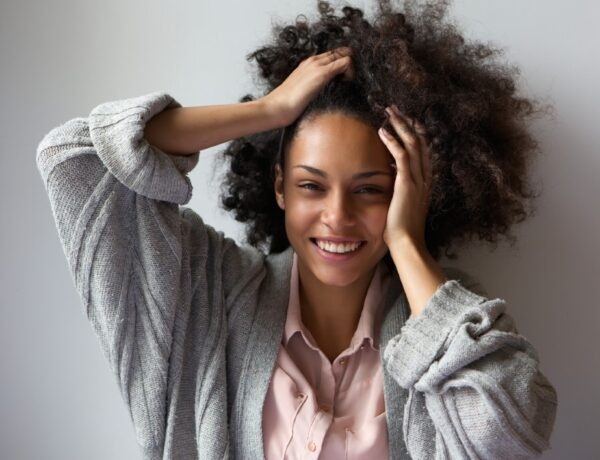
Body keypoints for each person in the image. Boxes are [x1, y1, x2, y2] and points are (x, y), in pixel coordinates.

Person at [36, 0, 557, 458]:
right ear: (279, 187)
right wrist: (271, 111)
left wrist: (406, 242)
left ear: (406, 194)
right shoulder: (210, 293)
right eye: (311, 186)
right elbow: (77, 157)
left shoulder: (445, 320)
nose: (337, 216)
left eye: (370, 189)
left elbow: (508, 438)